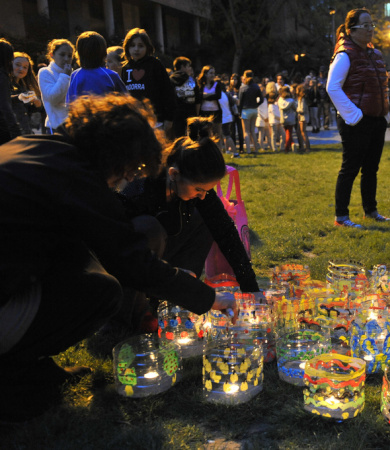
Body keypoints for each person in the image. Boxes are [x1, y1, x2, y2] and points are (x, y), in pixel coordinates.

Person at [0, 94, 238, 422]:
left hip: (13, 274)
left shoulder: (38, 146)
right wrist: (209, 298)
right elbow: (130, 261)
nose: (125, 180)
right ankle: (13, 377)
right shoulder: (76, 179)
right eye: (129, 169)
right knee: (100, 292)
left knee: (81, 266)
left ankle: (35, 366)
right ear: (115, 157)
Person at [116, 116, 261, 333]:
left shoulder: (196, 191)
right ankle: (128, 317)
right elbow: (122, 254)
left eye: (207, 190)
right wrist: (169, 272)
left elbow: (226, 233)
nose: (203, 196)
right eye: (199, 190)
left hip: (163, 262)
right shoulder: (140, 190)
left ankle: (176, 300)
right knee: (149, 229)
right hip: (128, 266)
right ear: (174, 174)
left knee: (207, 218)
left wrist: (251, 287)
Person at [326, 8, 390, 229]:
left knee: (371, 168)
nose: (371, 29)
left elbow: (380, 86)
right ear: (352, 30)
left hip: (376, 120)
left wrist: (384, 114)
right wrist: (354, 115)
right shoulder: (345, 54)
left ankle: (370, 211)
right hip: (356, 121)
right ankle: (341, 216)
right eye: (366, 26)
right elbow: (332, 87)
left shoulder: (374, 53)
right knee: (350, 168)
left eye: (372, 25)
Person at [120, 27, 176, 132]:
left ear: (147, 48)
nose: (136, 49)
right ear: (127, 47)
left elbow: (167, 91)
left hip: (155, 121)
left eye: (140, 46)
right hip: (134, 121)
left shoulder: (155, 65)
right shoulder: (125, 68)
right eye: (132, 46)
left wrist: (169, 118)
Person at [66, 31, 127, 104]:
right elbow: (126, 101)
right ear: (104, 53)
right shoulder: (111, 76)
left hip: (81, 115)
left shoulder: (75, 75)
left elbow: (69, 104)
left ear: (79, 54)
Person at [38, 38, 74, 133]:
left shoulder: (73, 74)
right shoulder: (45, 72)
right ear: (52, 55)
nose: (66, 59)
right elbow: (52, 98)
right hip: (55, 127)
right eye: (62, 55)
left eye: (69, 56)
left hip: (73, 125)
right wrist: (65, 76)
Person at [11, 52, 43, 135]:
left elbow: (26, 111)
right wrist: (20, 97)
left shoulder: (23, 87)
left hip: (25, 132)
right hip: (9, 133)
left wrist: (37, 104)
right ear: (10, 64)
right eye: (18, 65)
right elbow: (5, 101)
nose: (21, 69)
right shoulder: (5, 83)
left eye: (25, 67)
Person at [169, 56, 200, 139]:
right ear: (182, 66)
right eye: (188, 66)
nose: (190, 68)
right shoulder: (191, 80)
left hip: (176, 113)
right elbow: (197, 98)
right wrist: (196, 113)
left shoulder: (170, 80)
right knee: (193, 137)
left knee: (179, 137)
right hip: (191, 112)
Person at [197, 65, 226, 151]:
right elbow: (199, 96)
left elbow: (218, 96)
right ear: (205, 74)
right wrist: (207, 95)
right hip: (204, 113)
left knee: (217, 135)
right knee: (206, 135)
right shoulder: (200, 84)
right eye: (211, 73)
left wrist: (206, 95)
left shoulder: (217, 84)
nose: (213, 75)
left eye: (214, 73)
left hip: (216, 112)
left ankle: (219, 154)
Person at [0, 39, 20, 144]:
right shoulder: (2, 76)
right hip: (3, 128)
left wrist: (18, 97)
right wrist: (15, 130)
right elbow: (4, 105)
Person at [238, 69, 263, 154]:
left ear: (245, 76)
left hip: (245, 110)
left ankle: (248, 149)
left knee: (246, 131)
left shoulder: (243, 87)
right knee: (253, 130)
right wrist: (256, 104)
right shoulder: (256, 86)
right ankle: (256, 149)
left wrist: (239, 112)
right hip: (254, 110)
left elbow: (240, 102)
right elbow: (262, 99)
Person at [277, 85, 296, 153]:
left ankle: (288, 145)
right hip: (290, 118)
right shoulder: (291, 101)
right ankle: (287, 148)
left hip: (282, 118)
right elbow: (295, 108)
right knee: (289, 133)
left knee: (284, 133)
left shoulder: (280, 100)